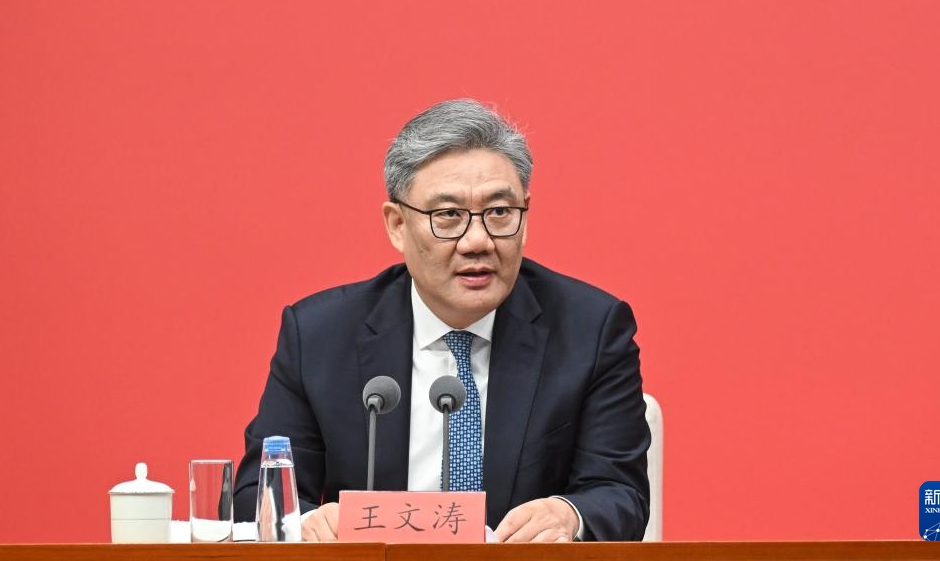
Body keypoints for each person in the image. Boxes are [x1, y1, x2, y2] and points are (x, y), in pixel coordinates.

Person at [234, 98, 650, 542]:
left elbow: (620, 492)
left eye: (499, 212)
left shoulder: (591, 330)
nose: (477, 241)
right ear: (397, 224)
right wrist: (305, 522)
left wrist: (569, 514)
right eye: (448, 216)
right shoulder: (319, 335)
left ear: (525, 217)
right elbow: (258, 491)